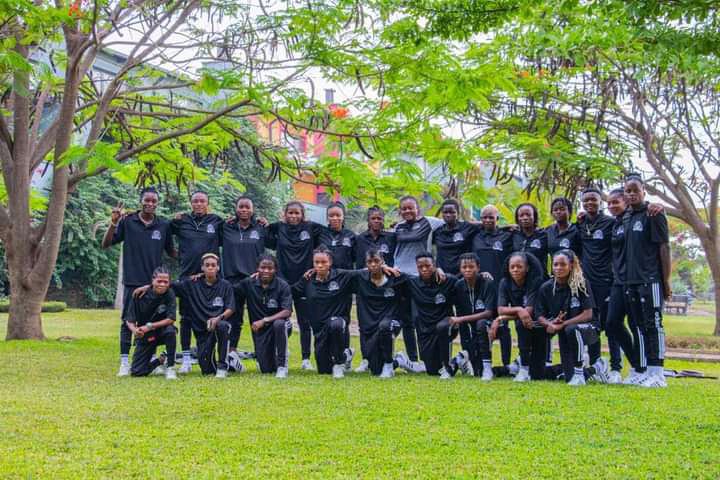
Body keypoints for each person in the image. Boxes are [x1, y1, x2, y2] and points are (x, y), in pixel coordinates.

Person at [101, 187, 175, 377]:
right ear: (141, 201)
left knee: (156, 321)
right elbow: (106, 244)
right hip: (133, 281)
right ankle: (124, 362)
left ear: (157, 203)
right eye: (147, 200)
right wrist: (113, 223)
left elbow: (172, 252)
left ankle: (155, 359)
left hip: (155, 285)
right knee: (127, 321)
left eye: (154, 201)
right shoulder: (128, 221)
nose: (150, 203)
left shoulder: (163, 225)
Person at [621, 173, 672, 388]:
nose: (632, 194)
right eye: (628, 191)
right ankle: (645, 371)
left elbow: (664, 247)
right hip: (630, 281)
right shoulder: (626, 217)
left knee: (654, 324)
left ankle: (658, 373)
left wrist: (665, 281)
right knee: (639, 326)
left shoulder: (654, 213)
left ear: (644, 191)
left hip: (650, 279)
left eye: (635, 190)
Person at [534, 250, 609, 386]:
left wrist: (563, 324)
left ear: (571, 266)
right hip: (565, 332)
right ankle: (598, 367)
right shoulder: (546, 287)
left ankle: (580, 374)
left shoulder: (581, 284)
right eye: (555, 264)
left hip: (589, 328)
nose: (558, 268)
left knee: (571, 329)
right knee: (568, 377)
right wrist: (549, 324)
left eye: (563, 264)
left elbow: (588, 314)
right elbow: (539, 315)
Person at [170, 190, 224, 373]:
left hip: (209, 278)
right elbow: (164, 233)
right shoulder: (182, 221)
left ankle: (211, 353)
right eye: (195, 201)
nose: (199, 204)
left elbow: (232, 234)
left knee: (210, 316)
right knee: (186, 318)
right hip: (187, 277)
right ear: (191, 203)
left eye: (202, 201)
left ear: (208, 203)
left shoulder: (216, 221)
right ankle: (185, 358)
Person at [266, 201, 322, 370]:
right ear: (285, 214)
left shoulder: (311, 228)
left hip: (304, 281)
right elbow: (263, 230)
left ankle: (306, 359)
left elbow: (327, 236)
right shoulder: (279, 227)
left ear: (302, 214)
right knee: (281, 320)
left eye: (297, 213)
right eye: (290, 212)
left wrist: (316, 266)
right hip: (283, 281)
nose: (293, 216)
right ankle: (281, 351)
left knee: (305, 322)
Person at [577, 187, 623, 383]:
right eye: (586, 200)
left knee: (612, 325)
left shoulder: (610, 223)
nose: (589, 203)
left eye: (593, 199)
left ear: (600, 202)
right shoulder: (581, 223)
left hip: (608, 283)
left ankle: (616, 368)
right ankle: (596, 365)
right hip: (587, 285)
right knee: (592, 326)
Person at [393, 196, 444, 368]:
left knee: (419, 318)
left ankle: (426, 357)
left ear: (418, 209)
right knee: (406, 320)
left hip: (419, 277)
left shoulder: (429, 222)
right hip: (400, 277)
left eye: (411, 208)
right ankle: (413, 360)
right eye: (404, 208)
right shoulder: (398, 227)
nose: (407, 211)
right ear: (400, 211)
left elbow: (457, 223)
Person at [404, 253, 472, 379]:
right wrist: (385, 267)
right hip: (426, 330)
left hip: (446, 327)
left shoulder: (448, 280)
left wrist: (483, 275)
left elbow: (467, 280)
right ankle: (459, 359)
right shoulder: (412, 283)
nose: (424, 269)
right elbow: (391, 276)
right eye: (420, 267)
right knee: (432, 371)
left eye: (428, 266)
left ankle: (447, 367)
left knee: (443, 327)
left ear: (434, 265)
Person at [167, 253, 236, 378]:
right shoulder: (191, 284)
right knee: (207, 370)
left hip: (218, 325)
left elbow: (230, 308)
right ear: (202, 268)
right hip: (202, 331)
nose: (210, 268)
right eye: (207, 265)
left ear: (218, 267)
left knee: (222, 326)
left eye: (213, 265)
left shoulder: (225, 285)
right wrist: (148, 287)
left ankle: (223, 367)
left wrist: (218, 318)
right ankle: (232, 361)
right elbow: (167, 285)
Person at [291, 247, 356, 378]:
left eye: (323, 262)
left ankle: (338, 365)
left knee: (335, 324)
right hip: (319, 331)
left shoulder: (341, 275)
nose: (320, 265)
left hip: (338, 322)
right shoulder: (307, 280)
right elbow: (289, 292)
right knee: (324, 370)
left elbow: (364, 273)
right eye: (316, 262)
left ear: (330, 262)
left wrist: (382, 267)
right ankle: (346, 355)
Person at [221, 195, 268, 367]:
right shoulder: (225, 228)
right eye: (241, 206)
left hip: (255, 280)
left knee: (258, 317)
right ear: (236, 208)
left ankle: (262, 354)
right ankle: (231, 353)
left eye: (247, 207)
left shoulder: (261, 228)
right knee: (234, 318)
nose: (244, 209)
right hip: (232, 280)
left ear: (253, 210)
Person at [353, 205, 397, 372]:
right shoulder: (359, 239)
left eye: (380, 218)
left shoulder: (391, 238)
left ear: (383, 220)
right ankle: (365, 358)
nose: (377, 221)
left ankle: (387, 356)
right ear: (368, 220)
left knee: (384, 324)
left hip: (386, 285)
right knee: (364, 323)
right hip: (365, 285)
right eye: (373, 218)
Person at [234, 255, 293, 378]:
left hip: (279, 325)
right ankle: (274, 353)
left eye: (270, 268)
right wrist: (205, 277)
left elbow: (287, 311)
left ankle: (282, 365)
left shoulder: (283, 285)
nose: (266, 271)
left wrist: (265, 320)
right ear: (257, 268)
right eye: (263, 267)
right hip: (260, 330)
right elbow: (228, 290)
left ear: (275, 270)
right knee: (266, 369)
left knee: (279, 324)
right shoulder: (248, 283)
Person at [352, 249, 408, 378]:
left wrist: (438, 270)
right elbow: (339, 273)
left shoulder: (396, 277)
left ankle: (388, 364)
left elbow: (419, 278)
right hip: (371, 327)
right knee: (376, 369)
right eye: (369, 262)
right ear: (366, 263)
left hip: (392, 322)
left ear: (382, 262)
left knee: (385, 326)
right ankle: (399, 360)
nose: (373, 264)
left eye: (376, 261)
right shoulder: (360, 278)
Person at [471, 204, 513, 369]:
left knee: (503, 325)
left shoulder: (507, 236)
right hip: (480, 288)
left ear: (498, 218)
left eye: (491, 217)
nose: (488, 220)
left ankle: (506, 364)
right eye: (484, 217)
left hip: (500, 288)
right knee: (481, 325)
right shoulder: (475, 236)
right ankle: (482, 363)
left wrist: (508, 227)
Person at [495, 251, 546, 381]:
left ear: (527, 268)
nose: (515, 270)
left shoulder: (535, 281)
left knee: (538, 374)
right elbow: (501, 309)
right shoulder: (505, 282)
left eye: (519, 266)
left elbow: (529, 311)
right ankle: (523, 367)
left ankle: (523, 365)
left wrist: (503, 318)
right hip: (524, 322)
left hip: (542, 322)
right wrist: (518, 310)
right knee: (521, 323)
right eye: (512, 267)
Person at [317, 201, 357, 368]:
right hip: (324, 282)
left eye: (338, 215)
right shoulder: (320, 234)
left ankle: (345, 354)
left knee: (343, 319)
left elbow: (356, 258)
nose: (335, 218)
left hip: (344, 283)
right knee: (326, 318)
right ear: (327, 217)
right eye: (331, 215)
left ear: (343, 216)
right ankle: (329, 352)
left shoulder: (351, 236)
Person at [450, 253, 497, 381]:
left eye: (471, 267)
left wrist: (460, 319)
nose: (467, 270)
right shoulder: (459, 286)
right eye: (464, 267)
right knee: (477, 372)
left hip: (491, 326)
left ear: (478, 267)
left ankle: (487, 367)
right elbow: (460, 313)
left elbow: (488, 313)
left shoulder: (487, 283)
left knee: (481, 323)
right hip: (471, 328)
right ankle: (462, 357)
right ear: (460, 269)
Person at [125, 266, 178, 380]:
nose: (162, 284)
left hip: (162, 331)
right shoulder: (138, 294)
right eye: (159, 281)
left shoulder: (170, 294)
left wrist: (149, 326)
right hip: (145, 335)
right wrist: (135, 330)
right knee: (137, 372)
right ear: (153, 280)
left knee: (171, 331)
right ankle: (160, 360)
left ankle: (170, 367)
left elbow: (171, 319)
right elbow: (130, 320)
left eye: (165, 282)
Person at [512, 203, 549, 278]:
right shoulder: (513, 235)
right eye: (521, 215)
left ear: (534, 217)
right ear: (517, 218)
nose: (525, 218)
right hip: (519, 279)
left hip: (539, 279)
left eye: (528, 215)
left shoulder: (544, 235)